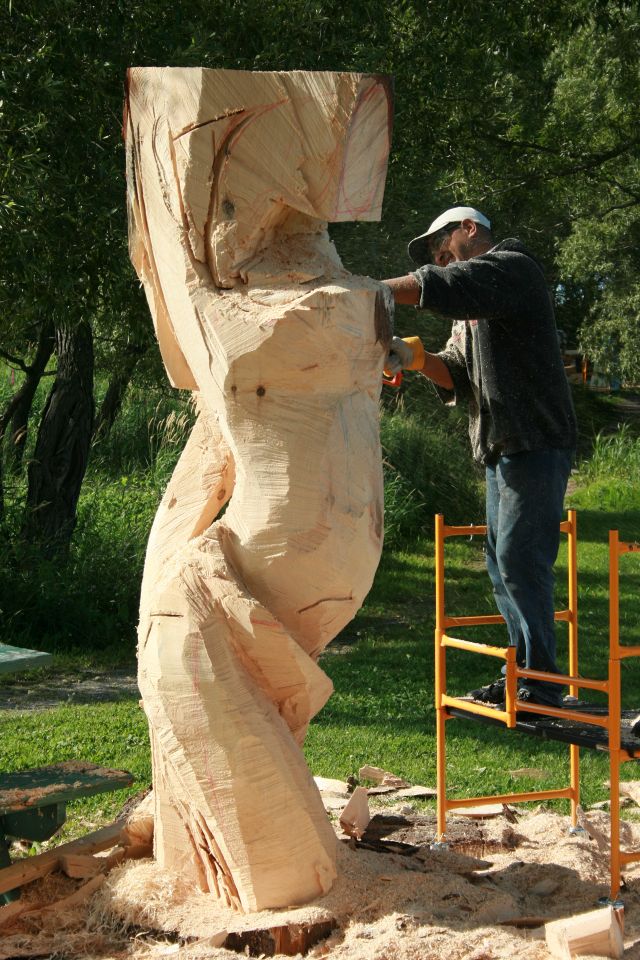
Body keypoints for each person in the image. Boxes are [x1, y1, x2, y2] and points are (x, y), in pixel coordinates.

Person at [383, 206, 577, 709]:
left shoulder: (513, 267)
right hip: (503, 447)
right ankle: (524, 672)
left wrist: (374, 291)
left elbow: (451, 287)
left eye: (441, 248)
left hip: (535, 440)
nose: (438, 258)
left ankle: (544, 680)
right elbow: (459, 375)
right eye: (433, 256)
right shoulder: (473, 310)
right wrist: (418, 358)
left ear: (470, 229)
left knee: (517, 557)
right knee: (498, 562)